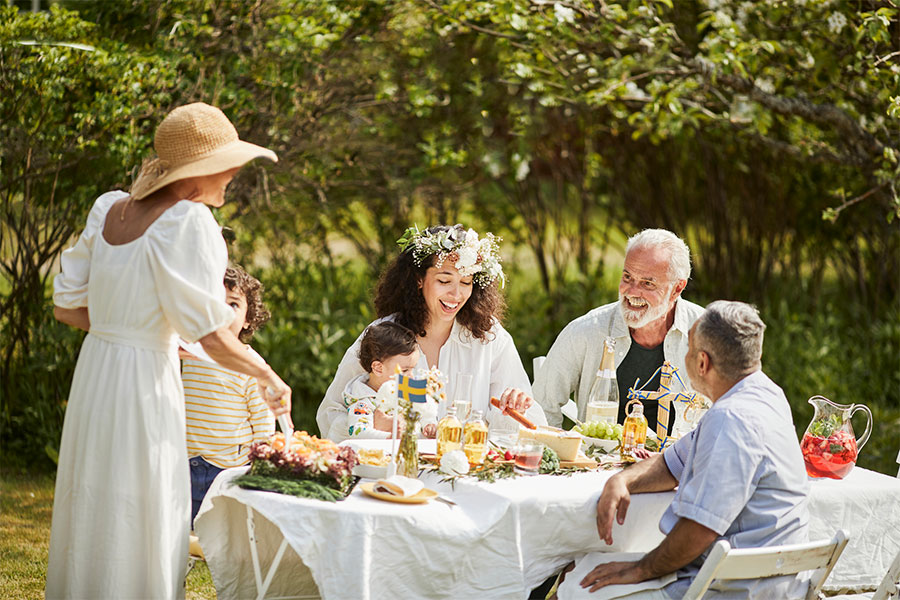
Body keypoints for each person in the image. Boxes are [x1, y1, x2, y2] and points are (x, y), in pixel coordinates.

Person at [47, 102, 292, 599]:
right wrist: (269, 376)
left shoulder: (108, 207)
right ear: (198, 170)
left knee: (96, 497)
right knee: (146, 504)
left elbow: (68, 308)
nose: (236, 174)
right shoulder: (189, 221)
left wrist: (130, 327)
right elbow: (213, 335)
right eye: (230, 164)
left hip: (98, 372)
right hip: (143, 382)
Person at [571, 301, 810, 599]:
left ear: (702, 363)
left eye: (687, 349)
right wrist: (621, 480)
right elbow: (673, 463)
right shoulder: (767, 395)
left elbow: (699, 530)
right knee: (585, 575)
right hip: (771, 581)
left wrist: (641, 569)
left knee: (578, 585)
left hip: (730, 588)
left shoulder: (731, 419)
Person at [317, 224, 547, 442]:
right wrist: (368, 425)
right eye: (444, 280)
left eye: (466, 282)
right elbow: (330, 413)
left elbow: (531, 425)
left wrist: (514, 406)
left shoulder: (489, 337)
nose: (456, 294)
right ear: (419, 279)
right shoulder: (382, 335)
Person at [533, 229, 704, 431]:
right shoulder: (586, 331)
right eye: (627, 277)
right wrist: (561, 453)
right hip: (600, 460)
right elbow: (540, 407)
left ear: (677, 289)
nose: (631, 292)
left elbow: (735, 406)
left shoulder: (708, 335)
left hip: (682, 460)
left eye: (647, 283)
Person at [183, 265, 276, 527]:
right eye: (216, 302)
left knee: (221, 536)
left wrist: (261, 460)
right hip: (184, 461)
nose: (223, 310)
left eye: (233, 304)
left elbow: (263, 419)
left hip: (227, 469)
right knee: (180, 535)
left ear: (248, 319)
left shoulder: (250, 364)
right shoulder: (189, 351)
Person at [343, 321, 430, 439]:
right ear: (378, 368)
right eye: (404, 371)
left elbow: (426, 413)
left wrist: (430, 426)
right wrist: (390, 437)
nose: (411, 376)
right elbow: (359, 432)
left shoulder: (407, 389)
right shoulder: (364, 403)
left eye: (412, 369)